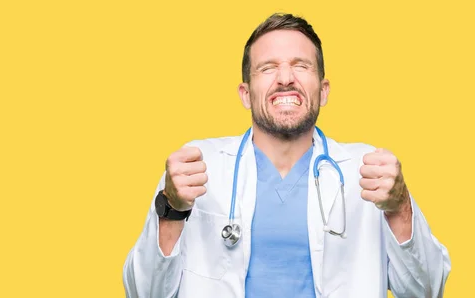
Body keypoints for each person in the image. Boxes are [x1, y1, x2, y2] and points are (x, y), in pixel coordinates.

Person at [122, 12, 451, 298]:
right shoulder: (195, 167)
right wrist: (172, 211)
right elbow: (143, 293)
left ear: (323, 91)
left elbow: (426, 290)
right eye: (267, 68)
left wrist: (400, 207)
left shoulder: (369, 172)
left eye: (301, 65)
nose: (285, 78)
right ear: (245, 94)